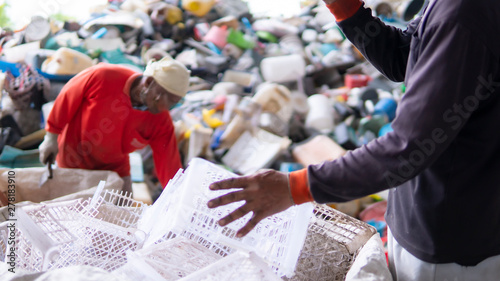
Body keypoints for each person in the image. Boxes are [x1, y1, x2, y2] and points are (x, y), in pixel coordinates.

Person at [207, 0, 500, 279]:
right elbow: (405, 56)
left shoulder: (465, 13)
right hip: (432, 218)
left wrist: (293, 187)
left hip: (451, 243)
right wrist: (347, 10)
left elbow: (407, 149)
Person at [38, 55, 190, 194]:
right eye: (167, 100)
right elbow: (67, 98)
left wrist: (177, 196)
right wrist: (51, 137)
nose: (167, 108)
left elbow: (169, 167)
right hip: (72, 159)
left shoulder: (161, 121)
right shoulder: (104, 76)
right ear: (149, 82)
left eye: (174, 103)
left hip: (114, 170)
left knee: (123, 214)